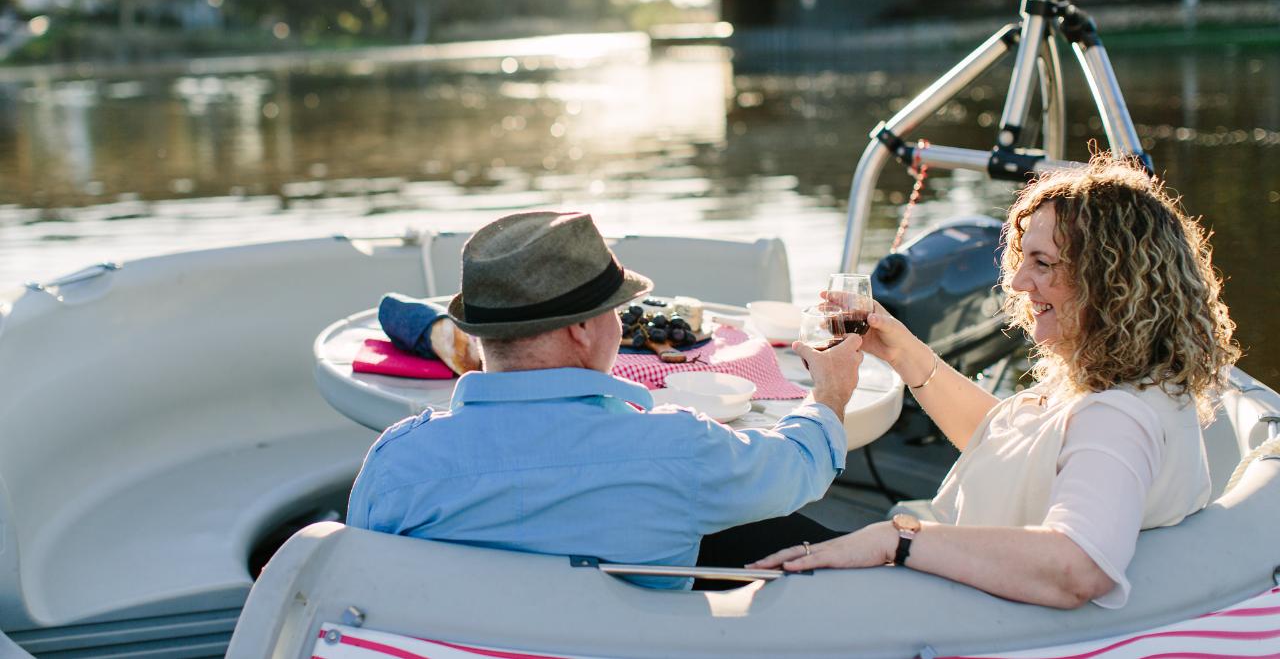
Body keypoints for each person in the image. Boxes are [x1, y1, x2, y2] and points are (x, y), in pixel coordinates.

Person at [754, 155, 1240, 608]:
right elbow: (1011, 448)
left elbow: (1079, 568)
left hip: (921, 600)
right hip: (927, 573)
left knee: (723, 523)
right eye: (1023, 258)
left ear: (1114, 283)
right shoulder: (1121, 381)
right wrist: (899, 348)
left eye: (1044, 263)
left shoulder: (1117, 416)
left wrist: (896, 540)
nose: (1018, 282)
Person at [346, 210, 862, 588]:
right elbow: (798, 469)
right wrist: (830, 393)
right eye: (616, 309)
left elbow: (368, 584)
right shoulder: (682, 450)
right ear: (581, 330)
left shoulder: (396, 465)